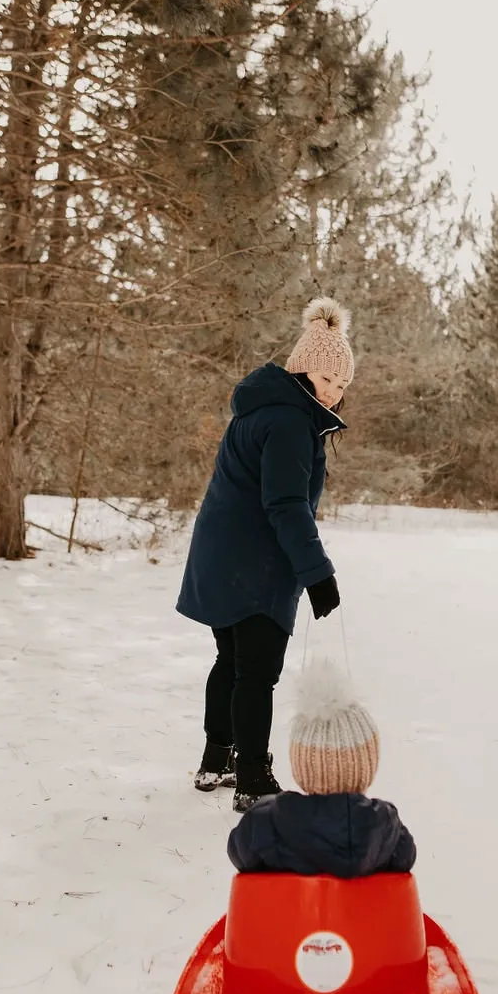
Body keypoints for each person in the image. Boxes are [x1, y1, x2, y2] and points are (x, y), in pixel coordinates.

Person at [177, 297, 353, 812]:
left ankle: (217, 759)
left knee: (230, 661)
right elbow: (285, 504)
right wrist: (317, 573)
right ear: (304, 371)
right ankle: (252, 777)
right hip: (253, 563)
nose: (335, 394)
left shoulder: (259, 411)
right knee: (256, 672)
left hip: (220, 554)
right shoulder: (291, 424)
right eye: (328, 380)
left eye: (342, 386)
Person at [226, 682, 416, 877]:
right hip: (361, 908)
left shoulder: (264, 823)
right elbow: (406, 859)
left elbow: (238, 854)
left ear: (302, 767)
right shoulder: (386, 829)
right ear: (366, 768)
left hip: (292, 908)